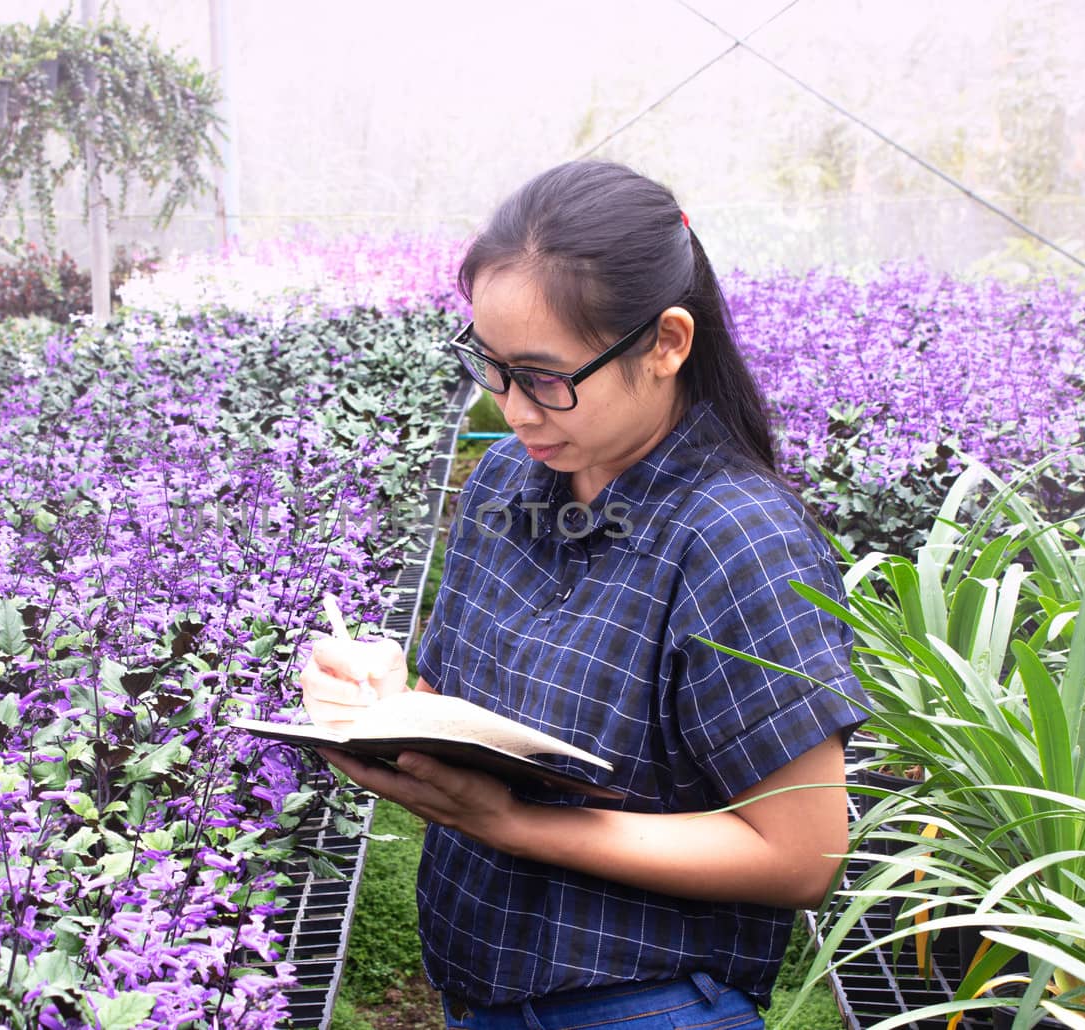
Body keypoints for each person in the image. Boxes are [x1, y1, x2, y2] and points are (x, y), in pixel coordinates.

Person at [299, 160, 871, 1030]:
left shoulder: (737, 541)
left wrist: (515, 825)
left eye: (543, 375)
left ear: (668, 343)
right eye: (490, 367)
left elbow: (800, 857)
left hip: (650, 1006)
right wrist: (383, 701)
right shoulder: (505, 484)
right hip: (481, 991)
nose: (514, 410)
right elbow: (474, 718)